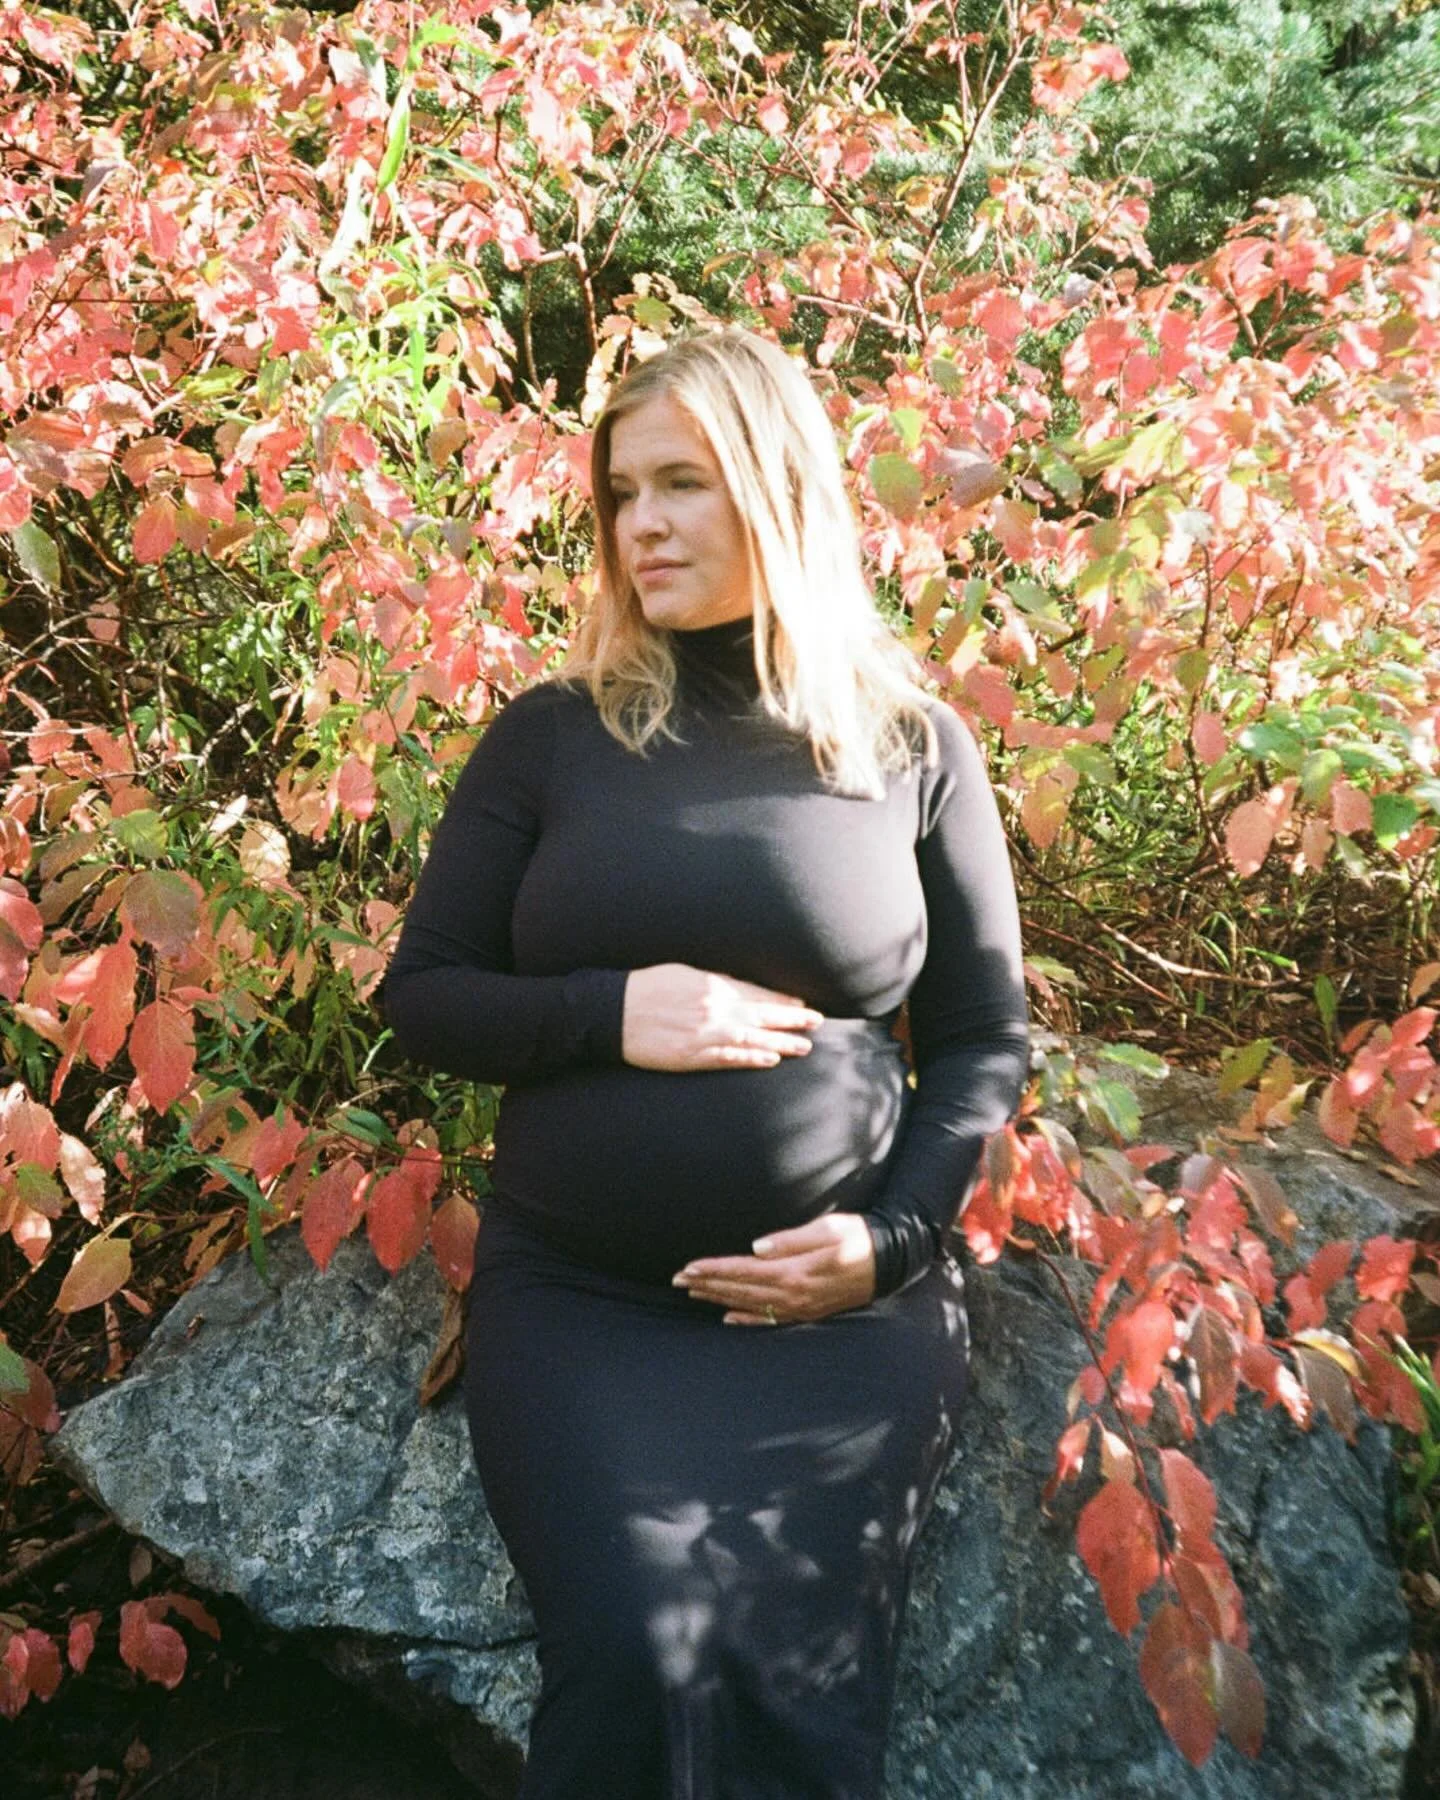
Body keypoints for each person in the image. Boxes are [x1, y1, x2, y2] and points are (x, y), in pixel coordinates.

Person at [382, 328, 1030, 1799]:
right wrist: (612, 1012)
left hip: (841, 1327)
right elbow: (426, 998)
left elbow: (983, 1036)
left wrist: (893, 1240)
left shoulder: (911, 747)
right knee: (639, 1655)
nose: (641, 526)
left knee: (797, 1691)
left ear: (777, 487)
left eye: (682, 483)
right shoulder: (553, 740)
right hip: (585, 1307)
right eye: (621, 493)